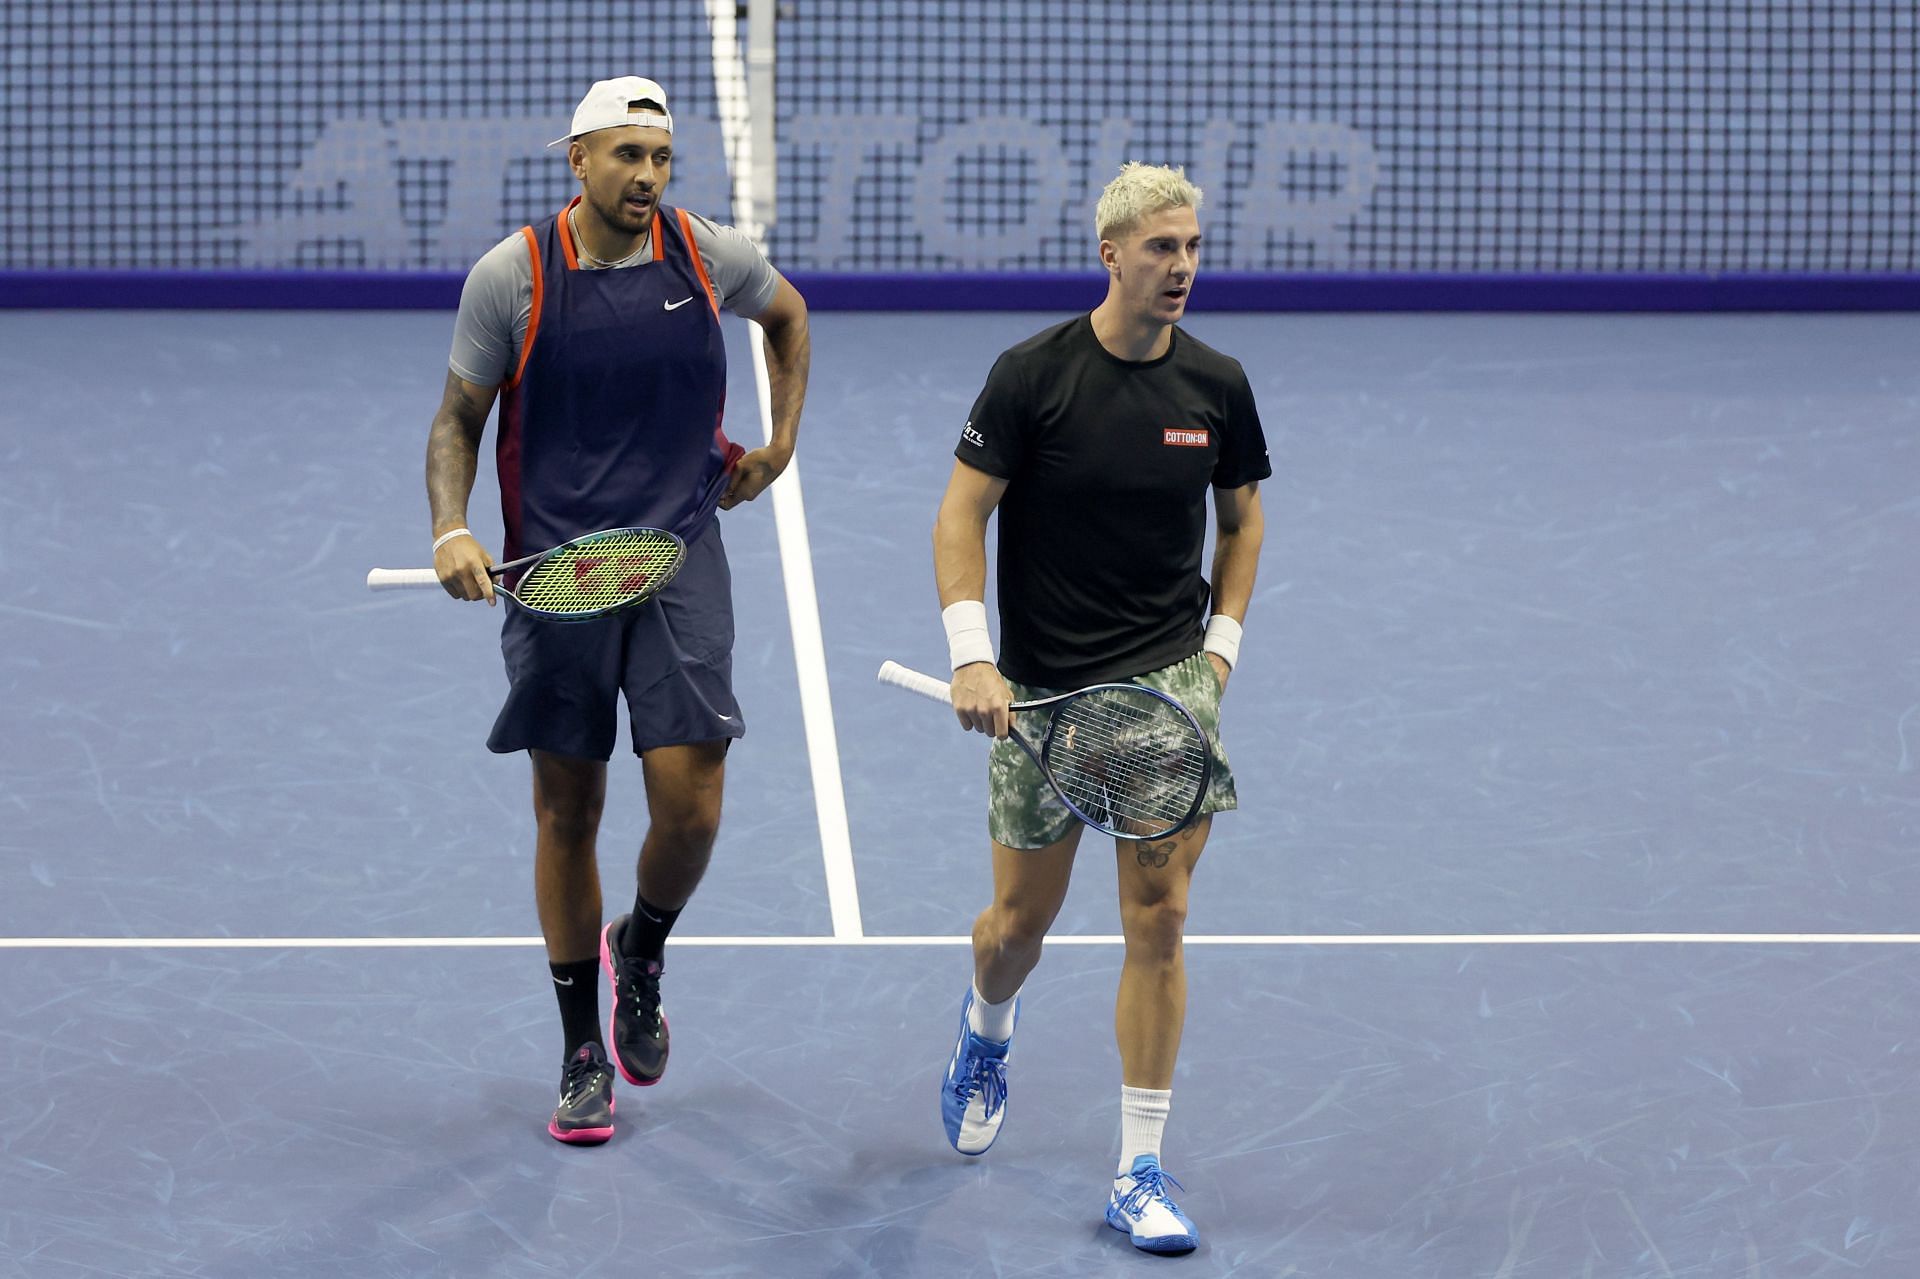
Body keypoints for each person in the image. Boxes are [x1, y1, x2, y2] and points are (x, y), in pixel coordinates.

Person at [421, 77, 809, 1145]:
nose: (645, 177)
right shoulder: (514, 275)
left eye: (659, 158)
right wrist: (453, 528)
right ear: (578, 160)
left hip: (679, 548)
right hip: (559, 573)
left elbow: (787, 314)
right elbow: (458, 418)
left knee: (691, 807)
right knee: (569, 810)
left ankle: (641, 945)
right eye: (625, 156)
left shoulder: (703, 253)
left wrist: (779, 447)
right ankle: (580, 1047)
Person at [929, 162, 1268, 1254]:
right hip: (1040, 688)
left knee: (1158, 919)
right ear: (1112, 253)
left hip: (1167, 684)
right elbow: (959, 518)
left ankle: (1139, 1168)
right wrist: (974, 658)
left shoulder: (1216, 384)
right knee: (1013, 932)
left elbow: (1244, 521)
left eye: (1193, 247)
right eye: (1161, 248)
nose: (1182, 267)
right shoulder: (1031, 377)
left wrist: (1218, 652)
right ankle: (987, 1025)